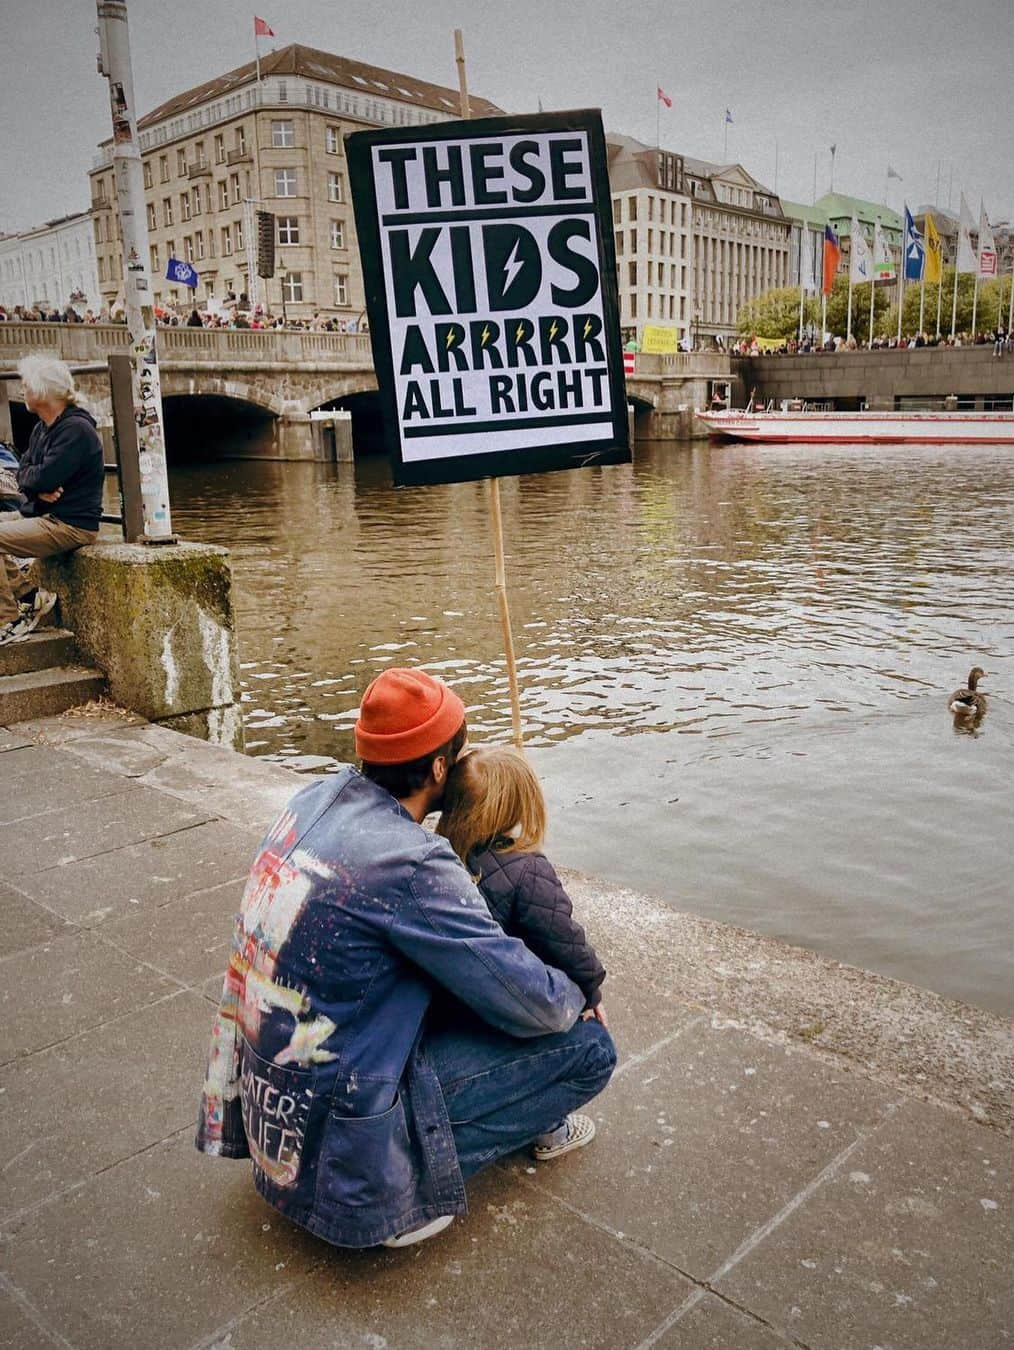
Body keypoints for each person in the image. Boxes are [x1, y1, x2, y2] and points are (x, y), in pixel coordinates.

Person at [196, 667, 616, 1250]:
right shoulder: (411, 863)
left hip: (275, 1094)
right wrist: (580, 997)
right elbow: (530, 1003)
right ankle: (402, 1184)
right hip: (339, 1133)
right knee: (589, 1050)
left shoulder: (313, 799)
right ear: (440, 768)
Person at [437, 745, 608, 1050]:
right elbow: (563, 940)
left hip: (456, 999)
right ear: (514, 808)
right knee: (597, 1045)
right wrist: (591, 990)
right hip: (505, 1007)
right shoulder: (527, 869)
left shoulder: (439, 855)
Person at [0, 356, 103, 646]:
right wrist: (37, 487)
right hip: (44, 515)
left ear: (43, 392)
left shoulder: (76, 431)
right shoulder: (42, 429)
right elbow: (23, 473)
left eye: (26, 385)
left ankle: (9, 619)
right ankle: (29, 596)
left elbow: (41, 476)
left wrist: (37, 482)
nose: (22, 390)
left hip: (69, 525)